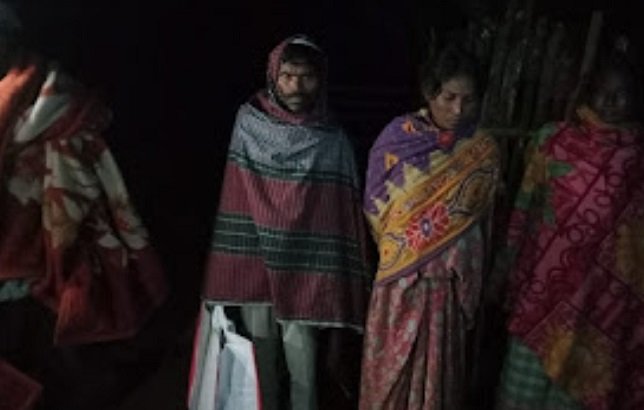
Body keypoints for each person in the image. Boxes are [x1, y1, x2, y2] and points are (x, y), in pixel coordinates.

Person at [0, 3, 166, 409]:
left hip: (42, 262)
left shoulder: (59, 101)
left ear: (10, 37)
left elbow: (93, 184)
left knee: (37, 364)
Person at [199, 34, 370, 410]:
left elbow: (338, 214)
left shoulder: (331, 139)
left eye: (307, 77)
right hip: (256, 262)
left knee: (303, 366)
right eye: (288, 76)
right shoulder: (249, 123)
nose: (296, 86)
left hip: (305, 270)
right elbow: (236, 195)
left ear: (320, 81)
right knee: (260, 361)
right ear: (273, 76)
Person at [494, 45, 644, 410]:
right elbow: (524, 210)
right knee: (519, 396)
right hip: (541, 293)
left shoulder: (638, 160)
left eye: (621, 94)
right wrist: (506, 269)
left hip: (600, 310)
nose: (611, 102)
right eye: (603, 92)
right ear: (588, 92)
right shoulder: (554, 141)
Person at [359, 44, 500, 409]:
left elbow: (481, 226)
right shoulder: (396, 139)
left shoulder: (482, 150)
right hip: (400, 284)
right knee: (390, 382)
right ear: (429, 93)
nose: (458, 110)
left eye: (468, 100)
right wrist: (406, 251)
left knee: (435, 385)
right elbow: (376, 208)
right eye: (449, 97)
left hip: (446, 293)